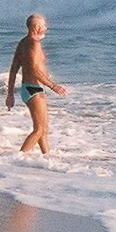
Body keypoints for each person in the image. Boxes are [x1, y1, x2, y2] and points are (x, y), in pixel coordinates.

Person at [5, 12, 69, 154]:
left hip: (26, 88)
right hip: (33, 88)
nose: (46, 28)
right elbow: (34, 70)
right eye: (44, 25)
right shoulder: (34, 43)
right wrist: (53, 86)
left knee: (43, 131)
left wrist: (10, 94)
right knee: (39, 130)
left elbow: (13, 69)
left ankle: (47, 158)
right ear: (36, 27)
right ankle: (18, 158)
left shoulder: (23, 42)